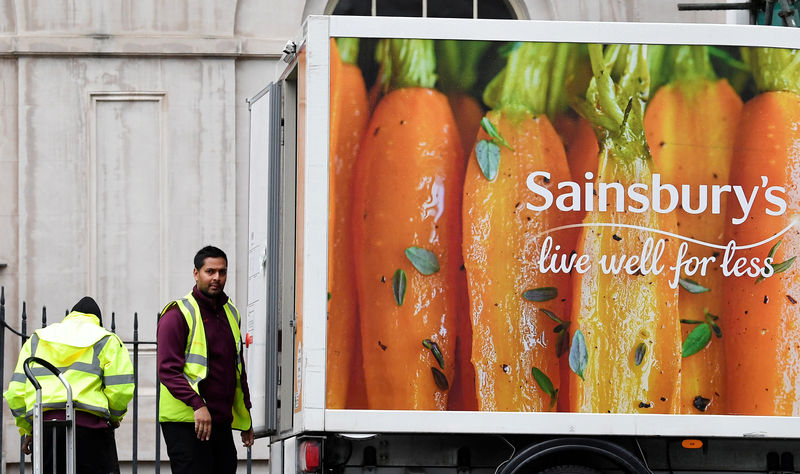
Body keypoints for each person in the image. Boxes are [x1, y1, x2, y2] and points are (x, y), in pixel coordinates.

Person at [3, 296, 135, 474]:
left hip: (45, 430)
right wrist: (113, 418)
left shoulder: (37, 339)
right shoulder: (106, 339)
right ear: (97, 320)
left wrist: (28, 429)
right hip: (89, 429)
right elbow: (120, 390)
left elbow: (16, 393)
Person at [158, 245, 254, 474]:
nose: (217, 278)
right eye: (210, 271)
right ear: (196, 273)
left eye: (222, 272)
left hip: (219, 421)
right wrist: (197, 404)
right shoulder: (177, 314)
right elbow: (168, 370)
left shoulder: (231, 312)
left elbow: (237, 370)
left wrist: (246, 418)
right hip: (186, 420)